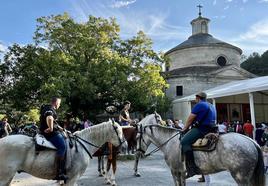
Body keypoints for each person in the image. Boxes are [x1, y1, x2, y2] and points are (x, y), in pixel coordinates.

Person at [181, 92, 217, 178]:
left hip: (202, 130)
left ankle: (191, 169)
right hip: (213, 129)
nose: (195, 99)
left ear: (198, 98)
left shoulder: (199, 105)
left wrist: (184, 128)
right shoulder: (212, 105)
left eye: (195, 98)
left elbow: (190, 119)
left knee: (184, 142)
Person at [39, 97, 68, 182]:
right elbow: (50, 118)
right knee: (62, 146)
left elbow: (54, 121)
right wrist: (51, 128)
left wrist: (61, 129)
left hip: (51, 131)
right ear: (56, 103)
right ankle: (59, 172)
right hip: (49, 133)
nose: (59, 105)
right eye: (59, 103)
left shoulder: (48, 108)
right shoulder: (49, 108)